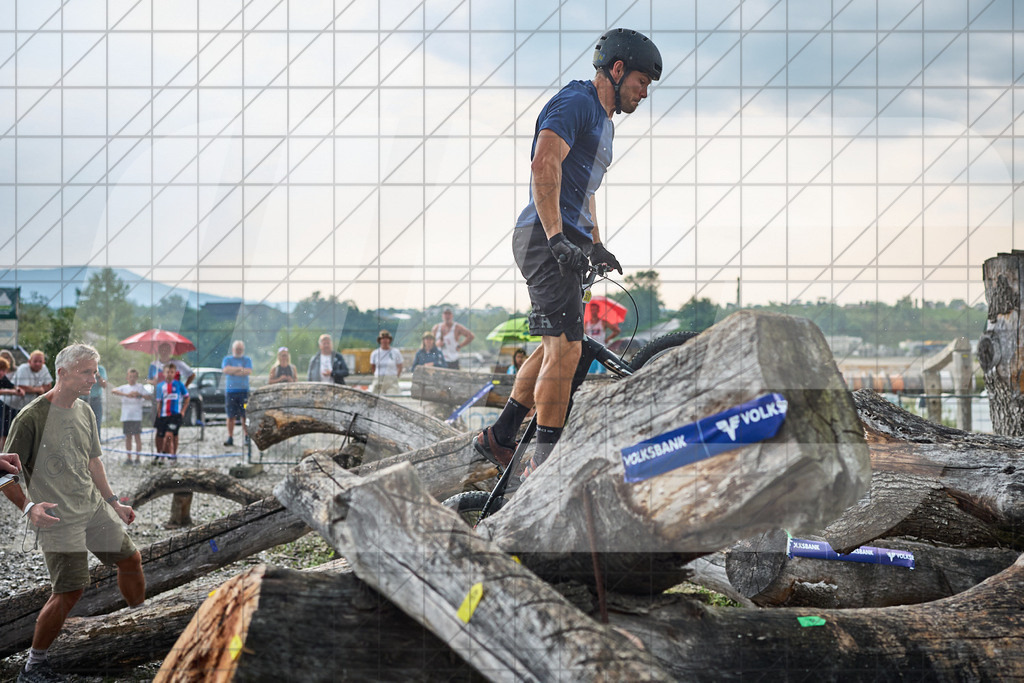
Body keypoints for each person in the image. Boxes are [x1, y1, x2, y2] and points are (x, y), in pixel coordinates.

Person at [474, 28, 660, 479]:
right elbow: (545, 164)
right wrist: (558, 238)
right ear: (616, 70)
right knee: (567, 351)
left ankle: (500, 437)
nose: (644, 92)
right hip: (543, 236)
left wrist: (595, 243)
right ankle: (545, 466)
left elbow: (584, 189)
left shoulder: (605, 123)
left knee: (552, 347)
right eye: (641, 81)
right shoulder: (578, 102)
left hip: (564, 239)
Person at [0, 343, 145, 683]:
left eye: (94, 371)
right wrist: (29, 507)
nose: (93, 379)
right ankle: (33, 667)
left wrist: (114, 502)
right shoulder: (31, 417)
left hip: (93, 508)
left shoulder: (85, 410)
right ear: (62, 373)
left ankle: (142, 620)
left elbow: (93, 461)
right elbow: (5, 474)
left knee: (131, 560)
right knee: (70, 590)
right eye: (86, 372)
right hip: (57, 518)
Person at [153, 361, 189, 463]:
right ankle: (160, 454)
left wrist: (183, 411)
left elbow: (187, 397)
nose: (169, 374)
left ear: (174, 373)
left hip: (175, 415)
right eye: (167, 372)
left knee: (170, 435)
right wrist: (159, 412)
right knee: (160, 435)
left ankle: (169, 454)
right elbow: (159, 401)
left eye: (172, 372)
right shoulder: (160, 386)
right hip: (163, 414)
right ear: (164, 373)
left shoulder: (179, 385)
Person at [111, 369, 146, 464]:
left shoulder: (140, 387)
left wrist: (139, 395)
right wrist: (127, 395)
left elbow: (149, 396)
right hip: (126, 416)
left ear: (137, 378)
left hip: (137, 416)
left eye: (134, 377)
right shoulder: (124, 388)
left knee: (137, 437)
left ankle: (138, 457)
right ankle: (129, 457)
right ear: (127, 377)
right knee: (128, 437)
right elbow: (113, 390)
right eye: (130, 376)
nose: (132, 379)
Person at [221, 340, 252, 447]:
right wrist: (239, 369)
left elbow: (248, 371)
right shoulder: (227, 359)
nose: (238, 351)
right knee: (231, 415)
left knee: (245, 415)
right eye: (237, 349)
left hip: (244, 392)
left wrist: (234, 371)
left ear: (242, 350)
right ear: (233, 349)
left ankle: (247, 435)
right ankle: (230, 436)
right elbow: (226, 370)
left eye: (240, 349)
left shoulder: (247, 359)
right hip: (231, 392)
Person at [585, 301, 620, 374]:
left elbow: (617, 331)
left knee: (602, 372)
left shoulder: (603, 322)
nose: (593, 311)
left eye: (595, 309)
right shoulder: (586, 324)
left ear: (598, 310)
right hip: (590, 350)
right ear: (590, 311)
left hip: (601, 349)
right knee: (590, 373)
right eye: (592, 310)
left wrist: (608, 339)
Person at [0, 357, 25, 449]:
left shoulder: (3, 378)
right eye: (0, 369)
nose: (1, 373)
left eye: (3, 370)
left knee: (4, 430)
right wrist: (11, 392)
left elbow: (11, 386)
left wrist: (18, 389)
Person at [369, 330, 403, 395]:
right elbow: (373, 367)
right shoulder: (375, 353)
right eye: (383, 338)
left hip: (391, 379)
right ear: (380, 340)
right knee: (374, 396)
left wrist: (396, 376)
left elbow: (400, 366)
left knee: (394, 397)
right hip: (379, 378)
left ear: (389, 340)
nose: (385, 340)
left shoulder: (395, 352)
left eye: (387, 338)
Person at [78, 364, 107, 432]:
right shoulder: (81, 368)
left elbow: (104, 385)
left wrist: (98, 376)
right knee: (81, 424)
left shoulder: (100, 369)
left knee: (96, 424)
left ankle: (96, 441)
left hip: (95, 399)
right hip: (82, 399)